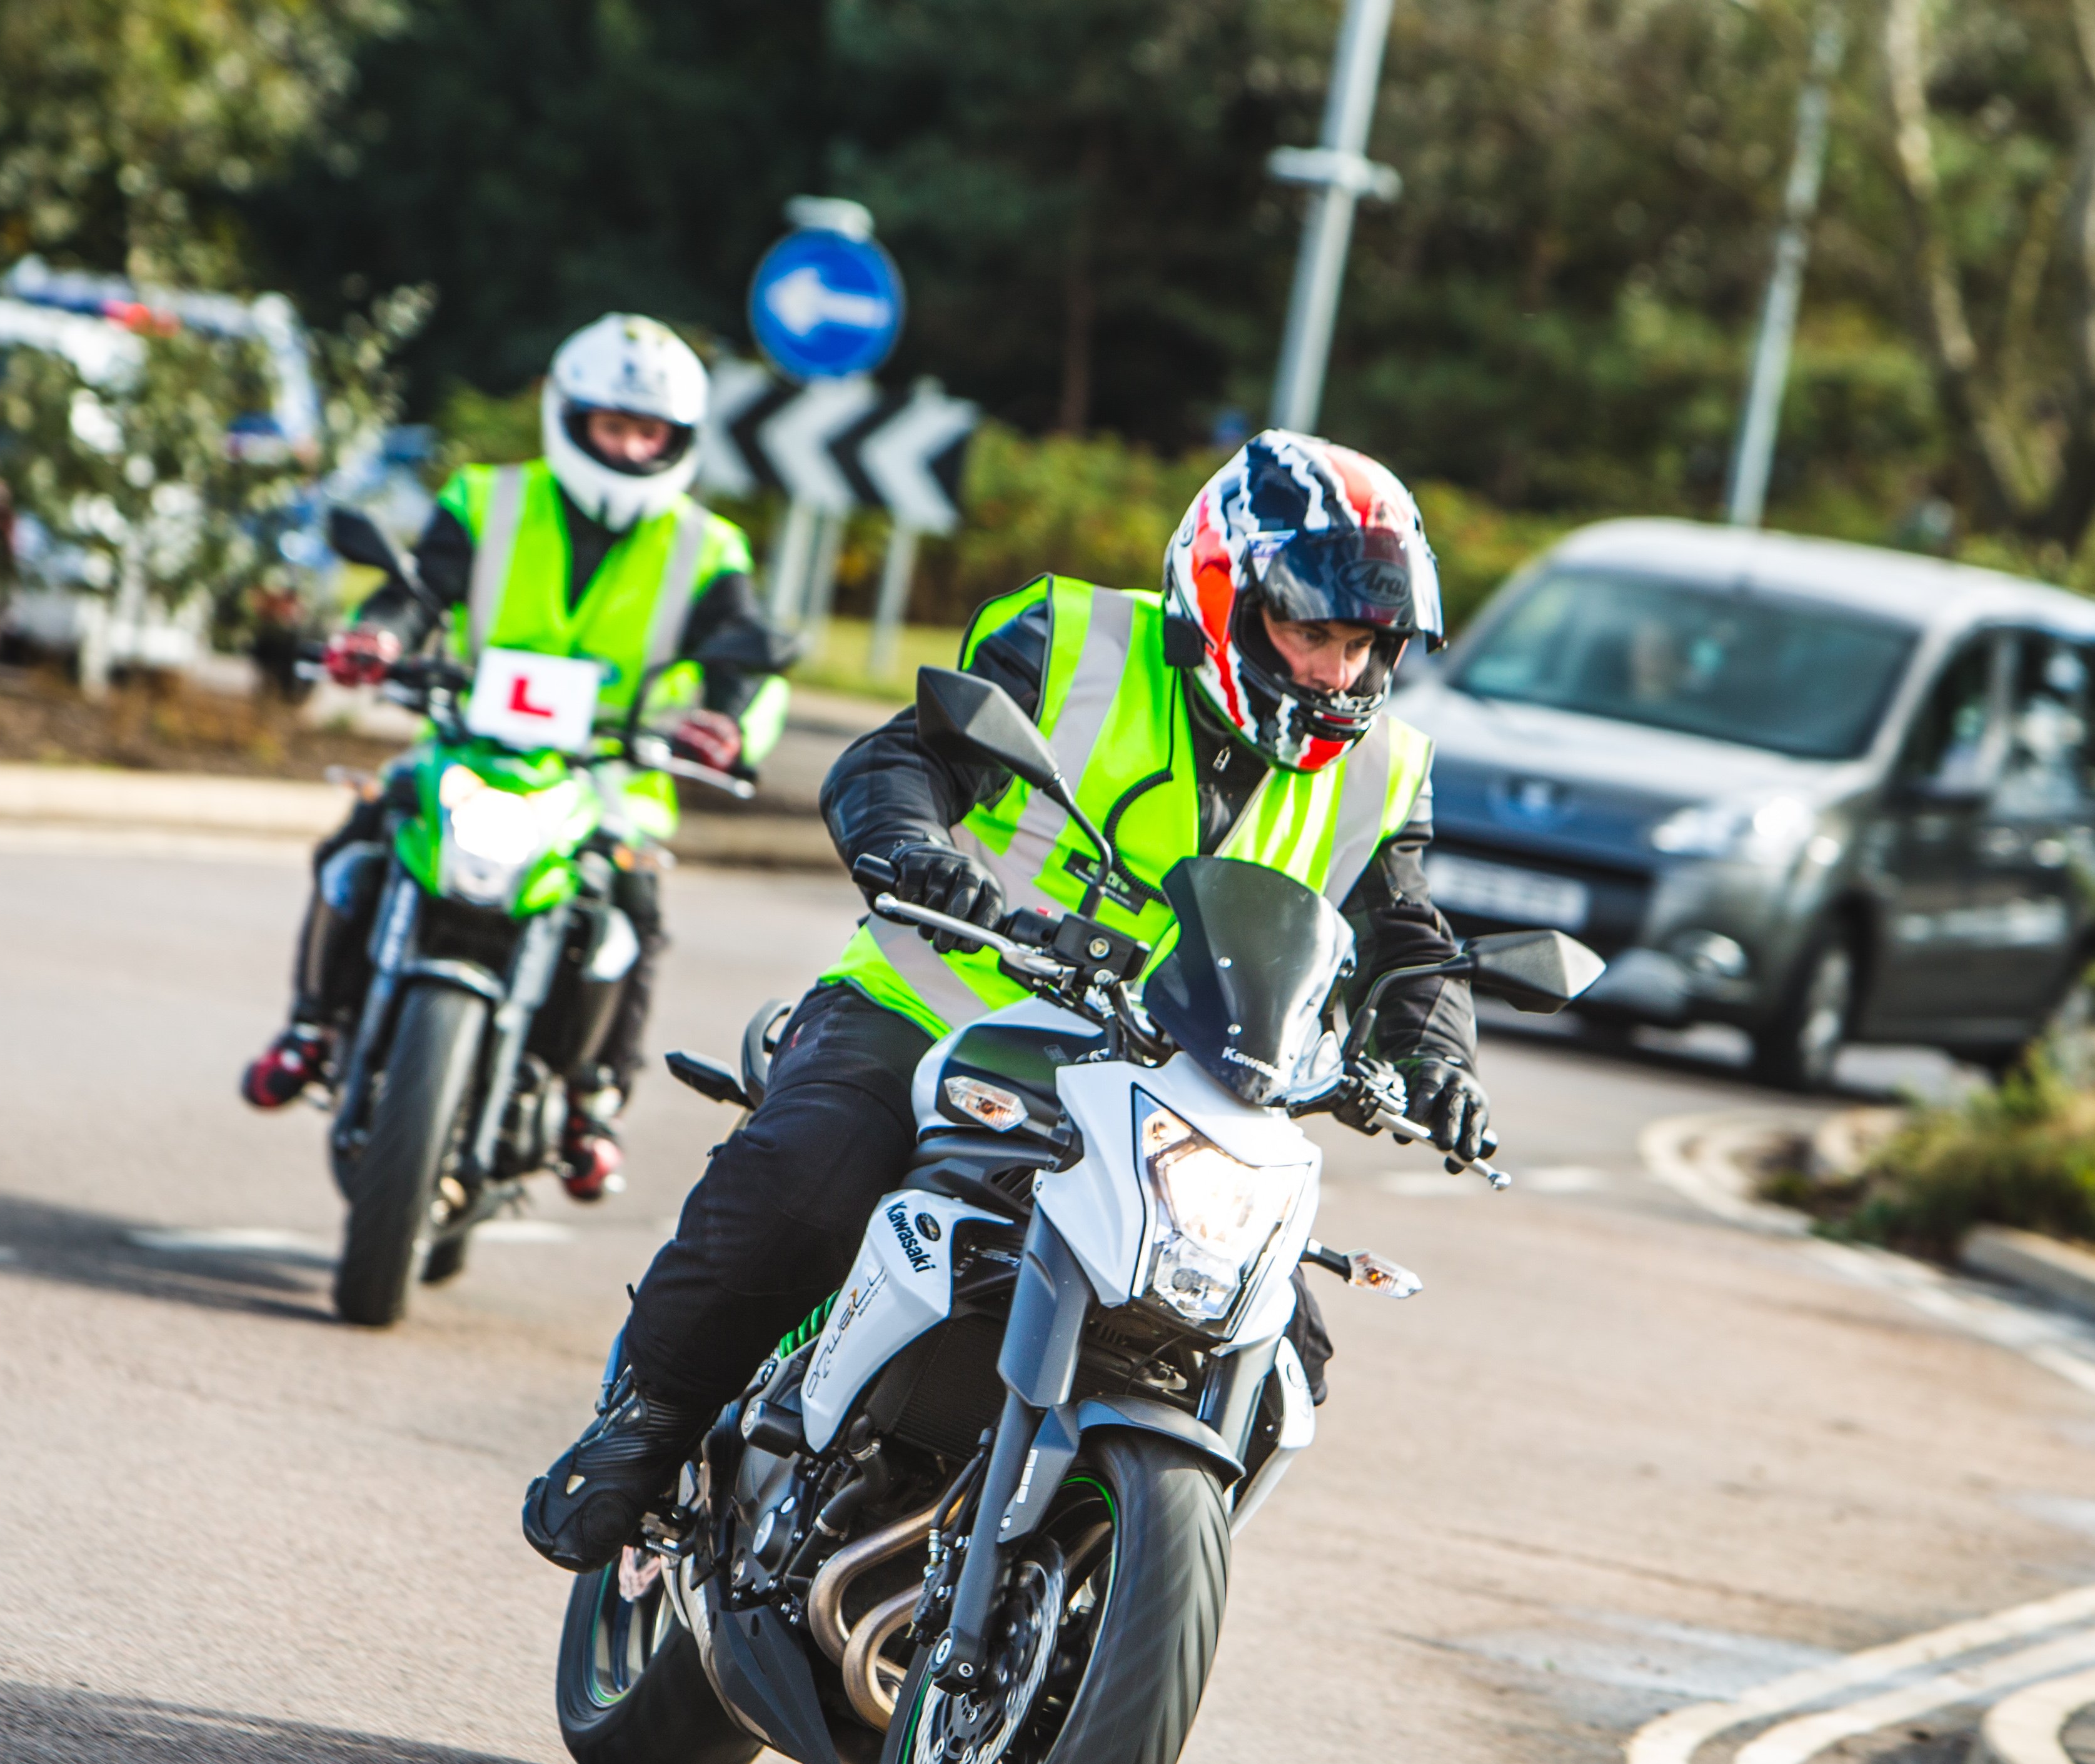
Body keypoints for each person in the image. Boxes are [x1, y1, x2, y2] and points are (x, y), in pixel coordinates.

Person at [522, 429, 1495, 1571]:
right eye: (1313, 633)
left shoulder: (1384, 767)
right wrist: (922, 852)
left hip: (1173, 1090)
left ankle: (1097, 1587)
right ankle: (645, 1423)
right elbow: (896, 765)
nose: (1339, 673)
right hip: (941, 1015)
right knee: (808, 1177)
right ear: (1223, 594)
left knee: (1285, 1346)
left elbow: (1405, 945)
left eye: (1366, 646)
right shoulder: (1073, 642)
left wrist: (1440, 1062)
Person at [239, 314, 790, 1201]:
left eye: (650, 432)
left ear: (678, 441)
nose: (630, 445)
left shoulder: (708, 547)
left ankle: (591, 1097)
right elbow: (416, 591)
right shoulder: (486, 498)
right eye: (613, 426)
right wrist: (376, 637)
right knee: (361, 836)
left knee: (633, 900)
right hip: (472, 740)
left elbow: (744, 662)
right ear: (570, 417)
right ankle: (309, 1026)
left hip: (613, 771)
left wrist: (724, 726)